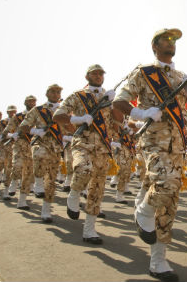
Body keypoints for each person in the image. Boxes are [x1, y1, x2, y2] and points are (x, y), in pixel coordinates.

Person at [113, 28, 187, 281]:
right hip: (154, 141)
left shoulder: (180, 76)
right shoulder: (144, 73)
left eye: (174, 40)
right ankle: (143, 211)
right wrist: (141, 114)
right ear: (154, 46)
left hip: (179, 145)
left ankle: (158, 259)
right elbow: (119, 103)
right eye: (166, 39)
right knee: (165, 185)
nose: (171, 43)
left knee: (169, 202)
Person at [54, 64, 118, 244]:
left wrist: (116, 104)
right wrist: (78, 119)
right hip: (82, 142)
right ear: (87, 76)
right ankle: (74, 194)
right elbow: (58, 116)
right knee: (82, 169)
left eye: (100, 74)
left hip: (103, 148)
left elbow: (118, 121)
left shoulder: (109, 97)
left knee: (97, 189)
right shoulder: (78, 96)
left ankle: (89, 230)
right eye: (94, 74)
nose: (98, 76)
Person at [19, 84, 64, 223]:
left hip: (56, 147)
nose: (56, 94)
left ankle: (46, 210)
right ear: (47, 94)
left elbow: (70, 127)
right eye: (53, 91)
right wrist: (36, 131)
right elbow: (24, 126)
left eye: (58, 92)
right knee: (39, 157)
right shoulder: (38, 110)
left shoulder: (64, 111)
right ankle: (37, 184)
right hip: (40, 143)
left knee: (51, 180)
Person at [5, 95, 37, 207]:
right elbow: (5, 132)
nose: (32, 103)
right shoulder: (18, 117)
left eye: (34, 102)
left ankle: (22, 201)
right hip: (19, 144)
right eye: (30, 102)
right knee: (17, 166)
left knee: (28, 174)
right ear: (25, 103)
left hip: (32, 145)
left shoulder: (39, 116)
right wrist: (12, 135)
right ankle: (13, 183)